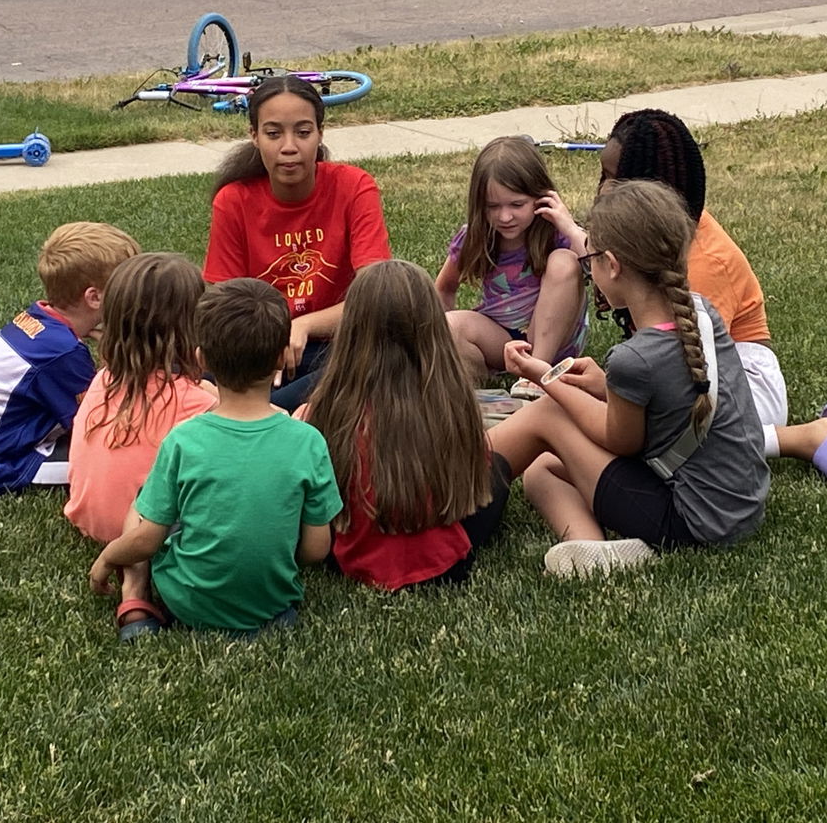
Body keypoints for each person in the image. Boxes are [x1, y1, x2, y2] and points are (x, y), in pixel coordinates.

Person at [544, 108, 827, 489]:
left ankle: (808, 437)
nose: (603, 188)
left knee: (649, 438)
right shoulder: (656, 242)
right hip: (697, 374)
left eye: (615, 179)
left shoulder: (701, 265)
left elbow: (690, 378)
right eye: (602, 175)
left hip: (739, 384)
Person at [485, 180, 771, 578]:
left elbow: (619, 439)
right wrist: (605, 386)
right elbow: (671, 397)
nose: (589, 267)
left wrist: (545, 377)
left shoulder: (636, 358)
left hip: (693, 522)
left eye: (592, 258)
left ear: (613, 266)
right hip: (738, 507)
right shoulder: (700, 313)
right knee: (542, 468)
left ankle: (456, 488)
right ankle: (597, 550)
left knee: (548, 415)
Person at [88, 278, 342, 637]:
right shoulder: (309, 441)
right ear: (282, 357)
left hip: (187, 602)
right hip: (275, 604)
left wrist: (108, 557)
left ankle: (135, 600)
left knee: (146, 499)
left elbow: (147, 539)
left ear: (201, 359)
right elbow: (317, 550)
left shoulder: (183, 441)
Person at [306, 260, 510, 591]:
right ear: (433, 330)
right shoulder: (452, 400)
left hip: (350, 563)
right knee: (496, 470)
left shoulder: (331, 407)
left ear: (351, 332)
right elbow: (473, 474)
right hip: (446, 566)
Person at [202, 76, 392, 411]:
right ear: (254, 137)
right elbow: (224, 308)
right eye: (273, 133)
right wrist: (269, 340)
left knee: (380, 361)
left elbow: (375, 298)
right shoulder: (233, 201)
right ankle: (268, 413)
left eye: (303, 132)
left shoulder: (354, 187)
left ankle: (261, 415)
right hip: (258, 348)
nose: (289, 146)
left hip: (338, 346)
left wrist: (302, 324)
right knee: (181, 371)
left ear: (320, 133)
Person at [65, 252, 216, 641]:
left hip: (88, 518)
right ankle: (138, 586)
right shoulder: (194, 402)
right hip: (145, 532)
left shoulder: (103, 380)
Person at [0, 221, 141, 499]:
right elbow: (100, 424)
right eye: (126, 288)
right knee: (127, 461)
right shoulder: (61, 353)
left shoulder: (39, 321)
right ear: (95, 297)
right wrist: (117, 354)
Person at [434, 135, 588, 395]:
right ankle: (476, 379)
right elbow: (444, 288)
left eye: (517, 204)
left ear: (542, 197)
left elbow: (600, 267)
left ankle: (538, 373)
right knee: (449, 325)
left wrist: (570, 227)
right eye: (492, 206)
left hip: (553, 340)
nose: (504, 217)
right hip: (502, 339)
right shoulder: (474, 236)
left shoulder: (557, 234)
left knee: (564, 261)